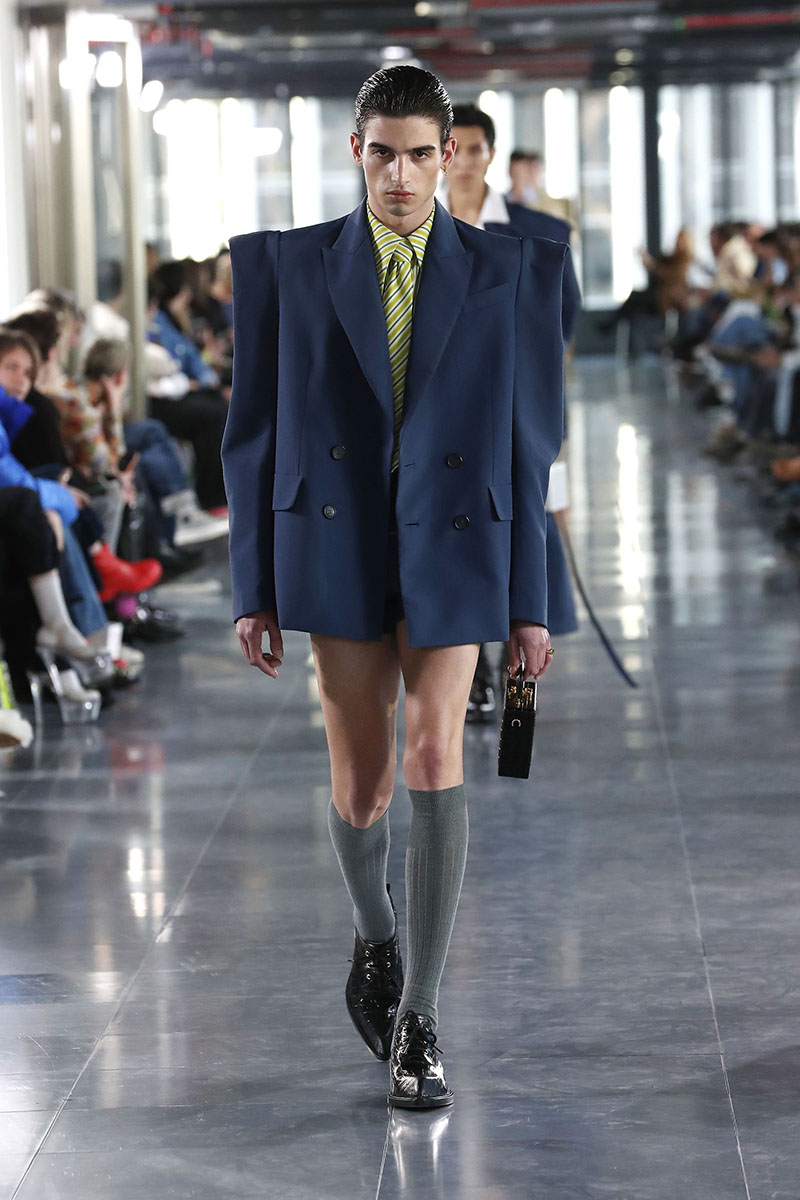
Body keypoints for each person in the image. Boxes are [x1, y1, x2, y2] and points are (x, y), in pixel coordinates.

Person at [223, 66, 572, 1110]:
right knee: (364, 786)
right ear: (356, 152)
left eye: (423, 154)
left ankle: (420, 1013)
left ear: (450, 154)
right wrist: (252, 585)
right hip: (334, 545)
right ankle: (375, 936)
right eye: (384, 153)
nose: (403, 176)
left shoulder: (514, 268)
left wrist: (531, 600)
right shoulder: (285, 267)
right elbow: (250, 438)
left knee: (433, 752)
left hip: (457, 542)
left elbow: (530, 448)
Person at [442, 103, 580, 716]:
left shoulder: (538, 230)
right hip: (440, 410)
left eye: (476, 148)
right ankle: (468, 667)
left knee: (521, 524)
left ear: (490, 154)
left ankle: (514, 663)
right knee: (455, 532)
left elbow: (563, 317)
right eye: (454, 148)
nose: (464, 161)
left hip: (516, 403)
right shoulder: (412, 225)